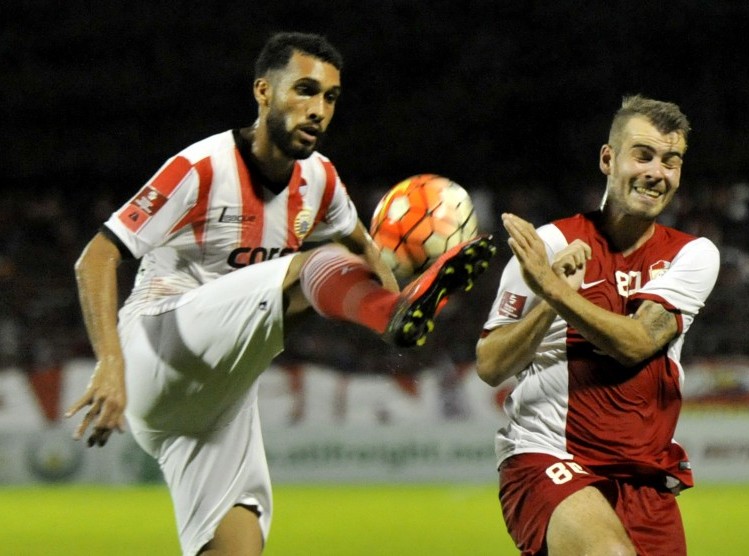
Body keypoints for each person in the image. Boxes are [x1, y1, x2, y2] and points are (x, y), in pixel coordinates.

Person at [65, 31, 494, 556]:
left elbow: (362, 249)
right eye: (305, 91)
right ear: (264, 91)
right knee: (310, 266)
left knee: (238, 548)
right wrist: (108, 363)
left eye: (330, 98)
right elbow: (96, 257)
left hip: (219, 399)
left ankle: (392, 315)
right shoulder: (201, 167)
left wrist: (394, 297)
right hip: (157, 346)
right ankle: (391, 315)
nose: (318, 110)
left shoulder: (321, 180)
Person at [476, 95, 719, 555]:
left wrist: (554, 288)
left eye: (671, 161)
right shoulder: (549, 242)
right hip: (547, 456)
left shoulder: (694, 254)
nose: (657, 173)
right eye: (643, 155)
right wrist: (548, 300)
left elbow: (638, 342)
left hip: (642, 474)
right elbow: (490, 363)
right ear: (608, 159)